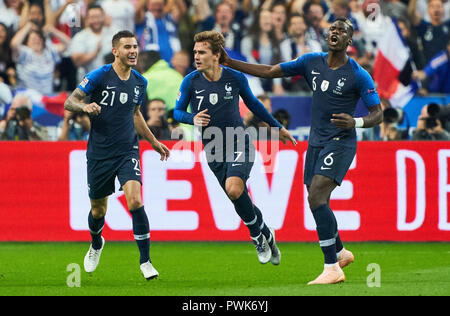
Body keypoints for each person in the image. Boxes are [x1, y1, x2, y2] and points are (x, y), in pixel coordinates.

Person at [222, 18, 383, 284]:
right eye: (332, 29)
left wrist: (355, 121)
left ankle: (332, 267)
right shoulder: (311, 62)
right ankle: (340, 251)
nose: (335, 33)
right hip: (316, 141)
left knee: (317, 196)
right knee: (315, 196)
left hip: (341, 141)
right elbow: (271, 70)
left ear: (349, 41)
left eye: (342, 31)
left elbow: (378, 114)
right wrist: (231, 63)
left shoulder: (358, 74)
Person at [174, 30, 297, 265]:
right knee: (239, 198)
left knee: (233, 189)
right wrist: (192, 119)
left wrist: (277, 127)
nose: (196, 57)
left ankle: (255, 236)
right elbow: (177, 111)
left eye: (202, 52)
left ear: (217, 55)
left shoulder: (234, 78)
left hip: (238, 140)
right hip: (212, 147)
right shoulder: (190, 81)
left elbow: (254, 104)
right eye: (195, 52)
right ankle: (267, 234)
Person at [64, 30, 170, 280]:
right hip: (100, 152)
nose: (133, 51)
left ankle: (146, 261)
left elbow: (135, 114)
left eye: (135, 47)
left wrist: (153, 141)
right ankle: (96, 242)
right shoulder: (99, 76)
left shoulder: (140, 82)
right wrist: (84, 106)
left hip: (127, 150)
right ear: (115, 51)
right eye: (127, 47)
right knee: (98, 211)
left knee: (135, 200)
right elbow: (70, 101)